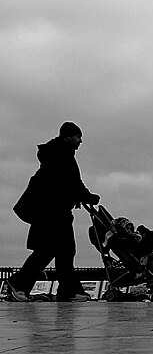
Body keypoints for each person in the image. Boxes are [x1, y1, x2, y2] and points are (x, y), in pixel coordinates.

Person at [8, 122, 100, 302]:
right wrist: (88, 197)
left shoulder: (58, 153)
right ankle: (18, 284)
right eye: (78, 136)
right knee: (48, 250)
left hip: (55, 211)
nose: (80, 141)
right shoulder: (61, 155)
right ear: (67, 136)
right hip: (51, 212)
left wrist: (82, 196)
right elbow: (72, 182)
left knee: (64, 252)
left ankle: (68, 291)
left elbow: (69, 183)